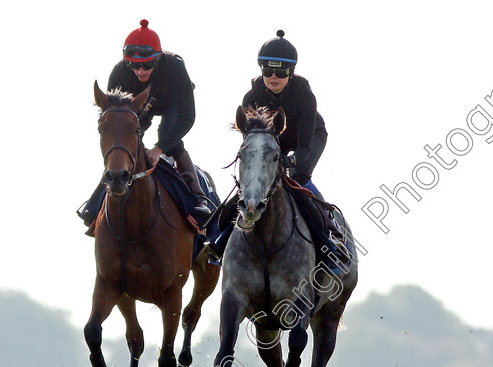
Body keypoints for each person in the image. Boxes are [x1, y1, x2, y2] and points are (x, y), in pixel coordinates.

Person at [206, 30, 348, 265]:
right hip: (270, 141)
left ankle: (331, 234)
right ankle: (220, 240)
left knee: (298, 177)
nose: (274, 76)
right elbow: (251, 143)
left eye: (281, 71)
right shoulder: (251, 96)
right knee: (253, 181)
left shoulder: (304, 95)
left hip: (307, 139)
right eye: (268, 70)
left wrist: (289, 162)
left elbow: (302, 150)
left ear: (291, 72)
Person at [77, 19, 209, 230]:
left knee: (167, 134)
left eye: (147, 65)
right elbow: (114, 121)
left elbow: (187, 117)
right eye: (134, 65)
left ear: (157, 59)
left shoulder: (174, 67)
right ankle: (98, 199)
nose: (140, 71)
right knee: (126, 139)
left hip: (172, 105)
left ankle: (198, 197)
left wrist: (159, 149)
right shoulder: (119, 72)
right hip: (137, 108)